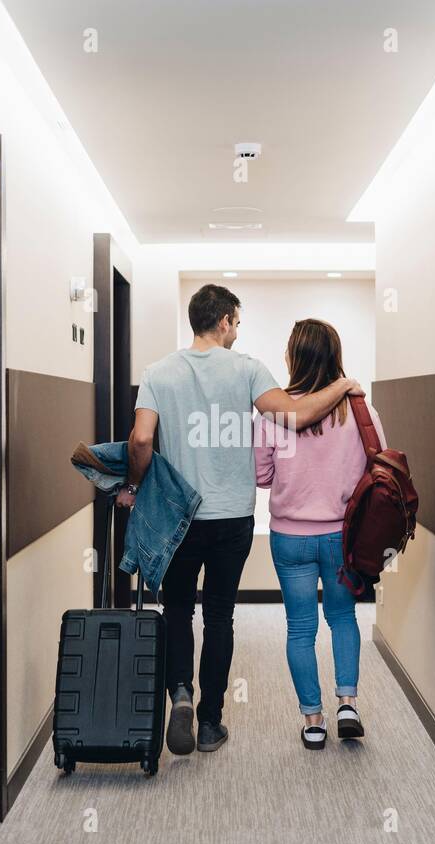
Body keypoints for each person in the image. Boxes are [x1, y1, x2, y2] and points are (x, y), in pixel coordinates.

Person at [120, 286, 362, 755]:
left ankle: (180, 694)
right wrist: (343, 385)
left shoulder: (157, 373)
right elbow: (296, 415)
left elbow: (142, 440)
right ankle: (210, 722)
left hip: (178, 515)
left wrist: (132, 485)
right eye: (237, 322)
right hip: (231, 518)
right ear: (225, 321)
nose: (237, 331)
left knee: (177, 610)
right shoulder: (248, 369)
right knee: (219, 616)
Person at [253, 319, 384, 750]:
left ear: (294, 357)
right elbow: (377, 469)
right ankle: (348, 704)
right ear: (335, 356)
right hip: (341, 537)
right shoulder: (360, 411)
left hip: (289, 538)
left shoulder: (273, 414)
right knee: (343, 617)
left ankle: (313, 720)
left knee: (300, 628)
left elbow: (261, 476)